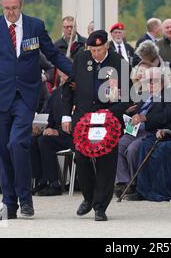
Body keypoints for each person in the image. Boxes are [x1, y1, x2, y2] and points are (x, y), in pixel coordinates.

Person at [0, 0, 72, 221]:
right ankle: (10, 203)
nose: (10, 13)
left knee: (18, 144)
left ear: (22, 4)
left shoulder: (35, 26)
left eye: (14, 8)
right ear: (2, 6)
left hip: (26, 97)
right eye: (6, 8)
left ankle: (25, 198)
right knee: (5, 151)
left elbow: (53, 55)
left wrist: (76, 72)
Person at [61, 30, 130, 221]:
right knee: (82, 160)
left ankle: (100, 207)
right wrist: (66, 115)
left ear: (106, 46)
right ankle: (89, 198)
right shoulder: (82, 59)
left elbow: (127, 96)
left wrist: (110, 113)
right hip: (84, 119)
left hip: (108, 119)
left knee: (106, 164)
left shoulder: (119, 63)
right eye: (93, 50)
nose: (96, 54)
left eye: (99, 49)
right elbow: (69, 88)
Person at [116, 67, 171, 200]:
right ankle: (125, 182)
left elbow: (167, 117)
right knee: (118, 145)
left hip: (152, 131)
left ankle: (137, 184)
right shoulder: (144, 95)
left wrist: (146, 118)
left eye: (152, 81)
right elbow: (138, 113)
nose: (149, 84)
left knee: (133, 149)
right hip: (135, 130)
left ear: (162, 82)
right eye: (148, 81)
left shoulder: (169, 94)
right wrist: (130, 113)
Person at [31, 71, 73, 196]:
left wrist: (57, 131)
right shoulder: (56, 93)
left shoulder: (79, 92)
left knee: (45, 141)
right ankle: (41, 180)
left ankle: (54, 183)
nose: (64, 76)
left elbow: (79, 117)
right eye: (63, 74)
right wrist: (43, 129)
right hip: (58, 132)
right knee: (33, 140)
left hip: (73, 134)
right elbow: (50, 117)